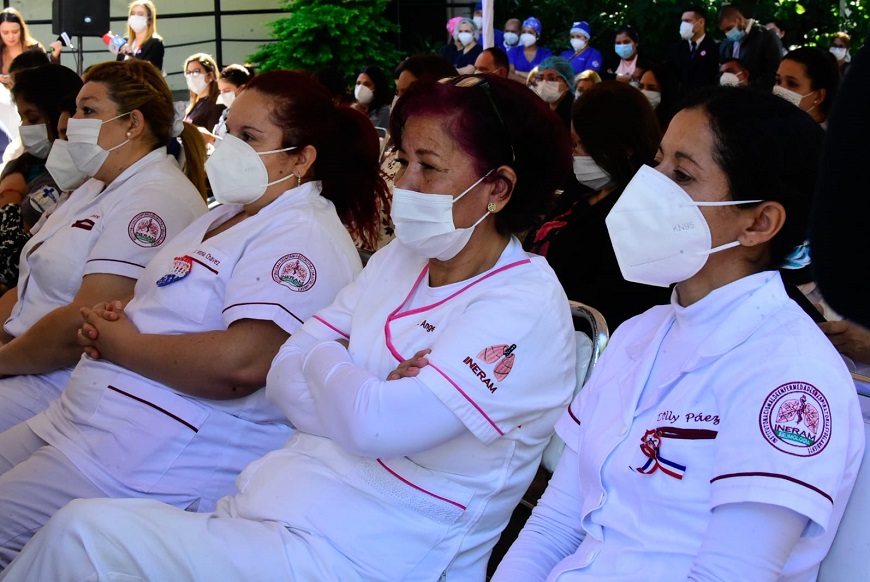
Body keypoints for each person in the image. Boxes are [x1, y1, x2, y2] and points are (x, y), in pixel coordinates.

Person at [0, 73, 579, 582]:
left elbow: (371, 423)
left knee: (83, 540)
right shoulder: (399, 261)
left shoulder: (521, 303)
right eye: (403, 161)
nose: (403, 184)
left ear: (499, 189)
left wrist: (330, 364)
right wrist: (356, 379)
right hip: (275, 511)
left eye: (428, 168)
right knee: (79, 536)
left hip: (367, 557)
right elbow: (286, 374)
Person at [0, 69, 388, 567]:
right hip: (87, 423)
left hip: (148, 457)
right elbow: (162, 304)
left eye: (250, 138)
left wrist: (124, 343)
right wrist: (116, 317)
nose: (229, 146)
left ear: (301, 158)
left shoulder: (302, 236)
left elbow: (243, 365)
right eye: (230, 131)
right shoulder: (227, 214)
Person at [493, 86, 864, 581]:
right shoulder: (638, 335)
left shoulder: (791, 374)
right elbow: (554, 528)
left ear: (759, 222)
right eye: (657, 163)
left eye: (682, 175)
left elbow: (730, 574)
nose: (650, 187)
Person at [0, 59, 208, 433]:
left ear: (133, 123)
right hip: (23, 362)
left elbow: (85, 319)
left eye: (88, 110)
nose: (74, 120)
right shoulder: (96, 184)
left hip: (65, 379)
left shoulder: (155, 198)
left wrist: (3, 360)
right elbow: (31, 286)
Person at [527, 81, 670, 328]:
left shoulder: (641, 215)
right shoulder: (585, 188)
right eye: (573, 143)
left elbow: (611, 304)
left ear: (624, 147)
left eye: (583, 145)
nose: (576, 153)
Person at [0, 65, 83, 290]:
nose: (25, 127)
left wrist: (10, 196)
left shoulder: (66, 175)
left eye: (32, 117)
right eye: (22, 118)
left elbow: (9, 258)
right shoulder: (24, 165)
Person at [717, 4, 781, 91]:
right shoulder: (726, 44)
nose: (727, 33)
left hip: (758, 96)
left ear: (739, 19)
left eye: (729, 28)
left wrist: (749, 88)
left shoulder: (766, 36)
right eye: (724, 30)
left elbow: (774, 72)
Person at [774, 47, 840, 127]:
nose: (780, 89)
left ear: (818, 96)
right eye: (778, 81)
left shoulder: (830, 137)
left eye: (792, 84)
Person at [667, 5, 719, 93]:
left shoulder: (715, 48)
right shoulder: (676, 48)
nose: (683, 25)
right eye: (682, 21)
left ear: (701, 22)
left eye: (687, 21)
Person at [0, 8, 58, 82]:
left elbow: (49, 77)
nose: (11, 37)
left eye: (15, 32)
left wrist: (55, 57)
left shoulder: (35, 50)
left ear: (22, 30)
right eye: (5, 33)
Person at [200, 64, 253, 144]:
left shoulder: (251, 115)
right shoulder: (226, 112)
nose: (223, 95)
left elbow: (241, 146)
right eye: (221, 91)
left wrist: (213, 139)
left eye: (227, 90)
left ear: (242, 88)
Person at [115, 1, 164, 71]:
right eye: (133, 13)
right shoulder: (125, 41)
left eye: (140, 14)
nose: (135, 17)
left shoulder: (155, 43)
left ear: (149, 19)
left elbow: (149, 72)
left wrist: (131, 56)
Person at [183, 53, 224, 131]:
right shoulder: (195, 104)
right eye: (188, 73)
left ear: (210, 75)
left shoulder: (217, 106)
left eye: (196, 71)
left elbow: (213, 138)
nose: (191, 76)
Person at [531, 56, 575, 127]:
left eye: (551, 78)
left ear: (566, 85)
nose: (544, 83)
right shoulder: (539, 107)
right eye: (541, 78)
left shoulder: (573, 111)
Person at [509, 17, 552, 83]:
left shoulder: (545, 53)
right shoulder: (513, 51)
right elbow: (509, 74)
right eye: (524, 32)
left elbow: (544, 77)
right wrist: (528, 84)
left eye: (530, 32)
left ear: (537, 36)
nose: (526, 35)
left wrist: (518, 73)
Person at [639, 63, 680, 130]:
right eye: (641, 86)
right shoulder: (638, 117)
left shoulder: (674, 125)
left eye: (652, 88)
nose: (644, 92)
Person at [353, 65, 391, 131]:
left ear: (378, 88)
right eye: (358, 83)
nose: (360, 88)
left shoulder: (384, 112)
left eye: (367, 84)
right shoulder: (356, 109)